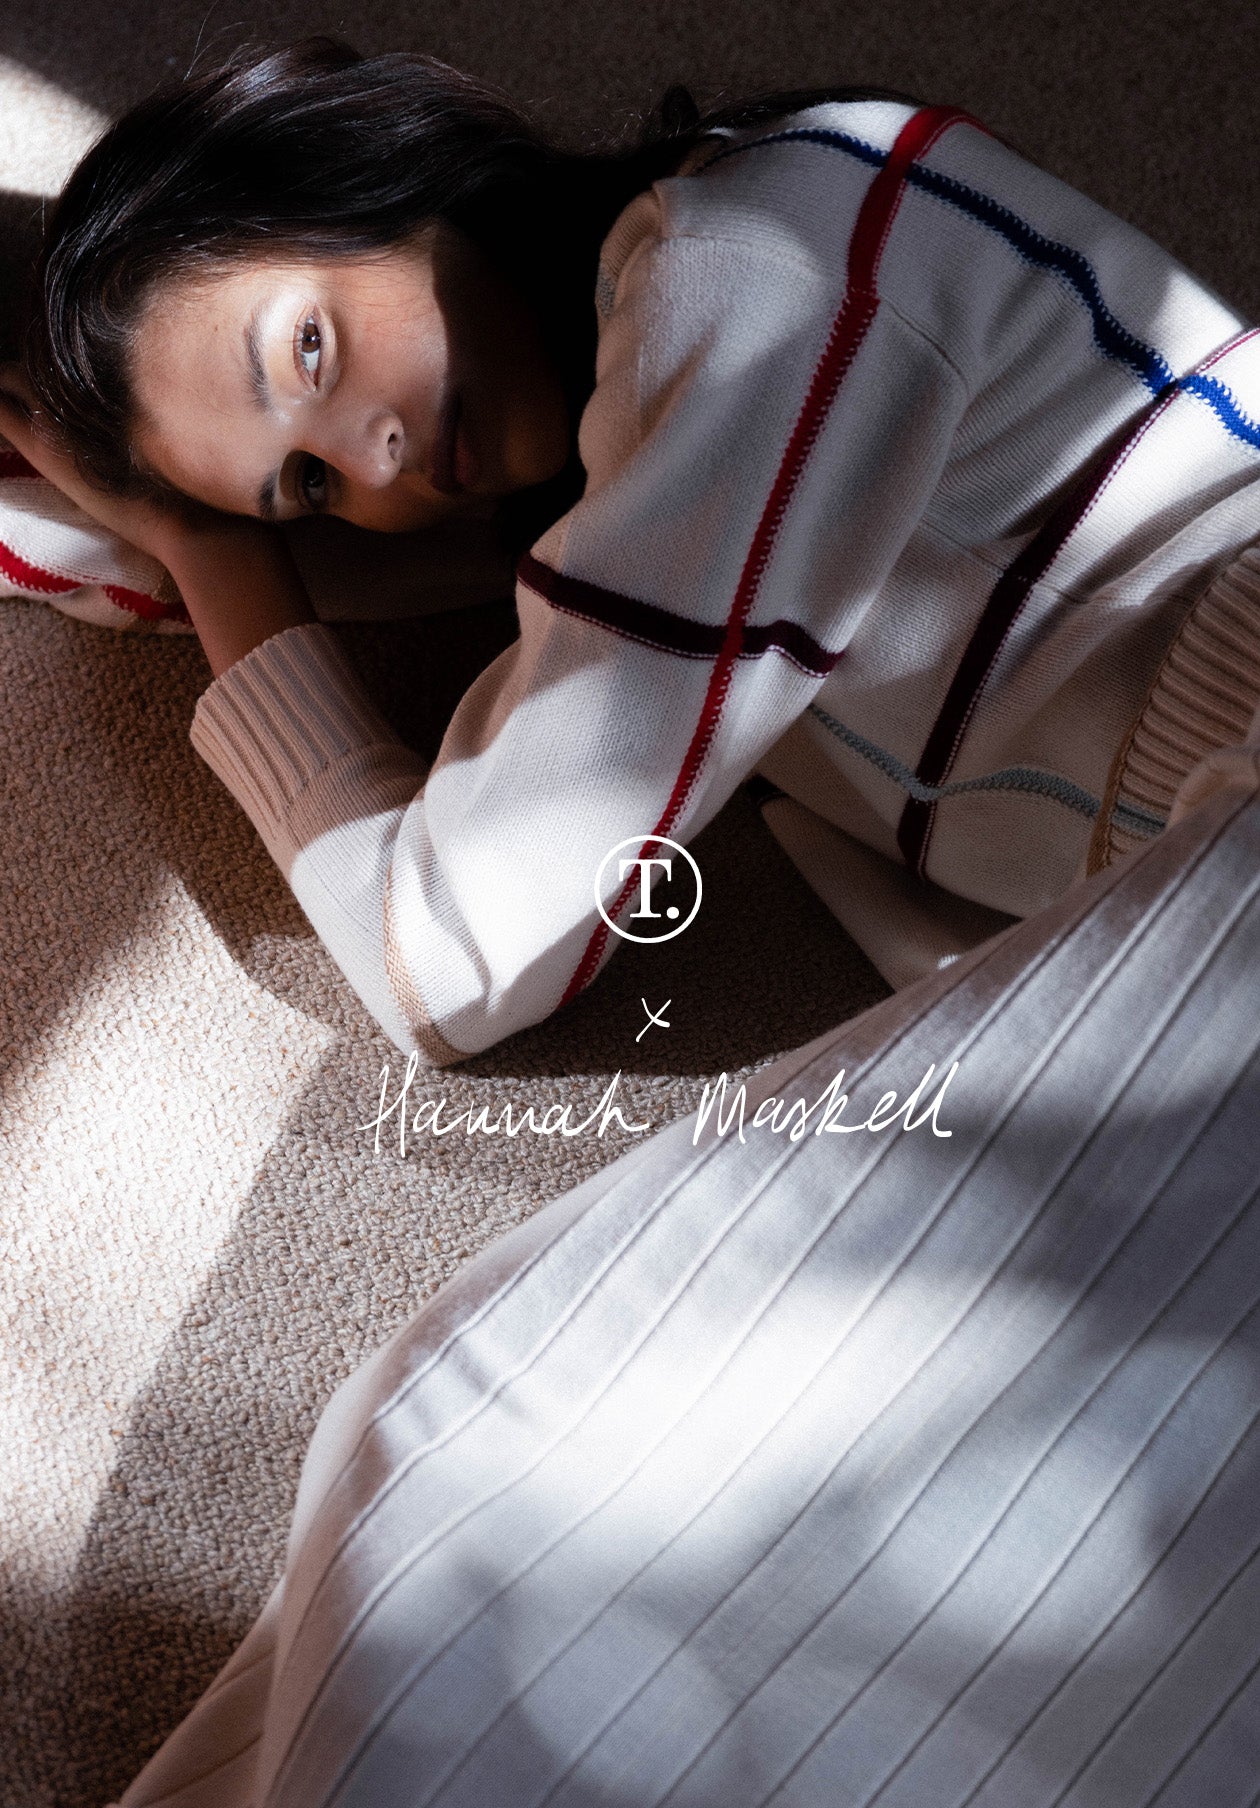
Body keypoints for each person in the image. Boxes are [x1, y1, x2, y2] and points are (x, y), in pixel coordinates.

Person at [3, 36, 1260, 1068]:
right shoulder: (635, 396)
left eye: (310, 349)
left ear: (367, 169)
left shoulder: (748, 284)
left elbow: (448, 955)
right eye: (305, 486)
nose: (372, 459)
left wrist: (218, 556)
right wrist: (189, 530)